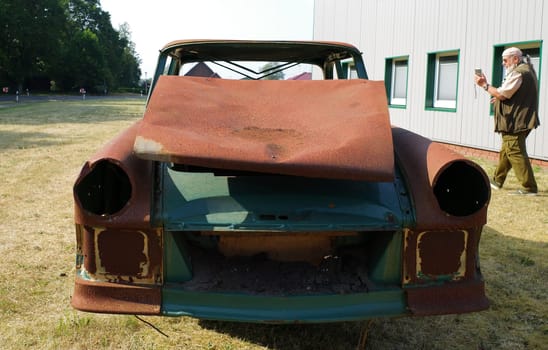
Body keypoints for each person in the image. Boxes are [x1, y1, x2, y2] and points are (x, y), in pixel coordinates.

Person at [475, 47, 540, 195]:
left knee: (515, 151)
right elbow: (512, 93)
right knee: (507, 151)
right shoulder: (526, 69)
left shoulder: (518, 72)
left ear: (515, 59)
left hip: (515, 121)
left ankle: (529, 187)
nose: (503, 63)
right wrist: (497, 97)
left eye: (505, 60)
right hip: (521, 119)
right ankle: (497, 180)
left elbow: (502, 94)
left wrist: (484, 85)